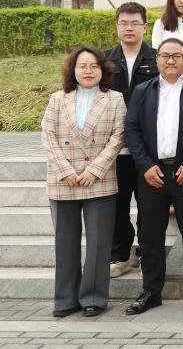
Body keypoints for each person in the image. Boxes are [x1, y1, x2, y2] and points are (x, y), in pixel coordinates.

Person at [123, 38, 183, 316]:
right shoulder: (143, 91)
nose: (171, 60)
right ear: (157, 60)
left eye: (177, 55)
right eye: (165, 56)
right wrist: (145, 165)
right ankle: (151, 292)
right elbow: (131, 129)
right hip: (153, 173)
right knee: (150, 235)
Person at [41, 46, 126, 318]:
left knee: (99, 243)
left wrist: (94, 170)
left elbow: (118, 137)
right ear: (73, 70)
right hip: (63, 179)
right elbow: (48, 136)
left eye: (93, 66)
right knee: (65, 242)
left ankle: (93, 298)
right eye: (82, 66)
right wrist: (65, 170)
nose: (88, 71)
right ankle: (65, 299)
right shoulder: (57, 99)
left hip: (99, 179)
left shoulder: (115, 99)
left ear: (103, 70)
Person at [104, 2, 158, 278]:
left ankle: (147, 254)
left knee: (149, 206)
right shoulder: (104, 60)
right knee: (118, 204)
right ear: (117, 26)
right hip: (115, 149)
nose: (129, 28)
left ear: (145, 27)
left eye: (134, 23)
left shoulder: (158, 58)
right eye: (123, 23)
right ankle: (120, 255)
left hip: (149, 148)